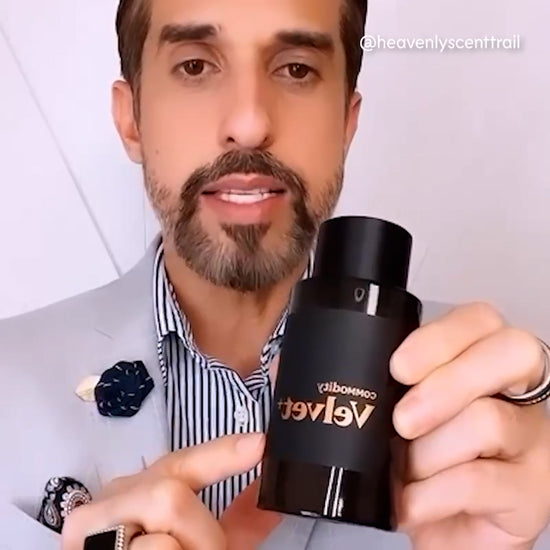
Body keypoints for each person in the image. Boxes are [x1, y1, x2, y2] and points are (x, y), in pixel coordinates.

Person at [1, 0, 550, 548]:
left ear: (347, 122)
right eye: (195, 66)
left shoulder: (493, 415)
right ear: (131, 120)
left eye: (296, 69)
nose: (250, 125)